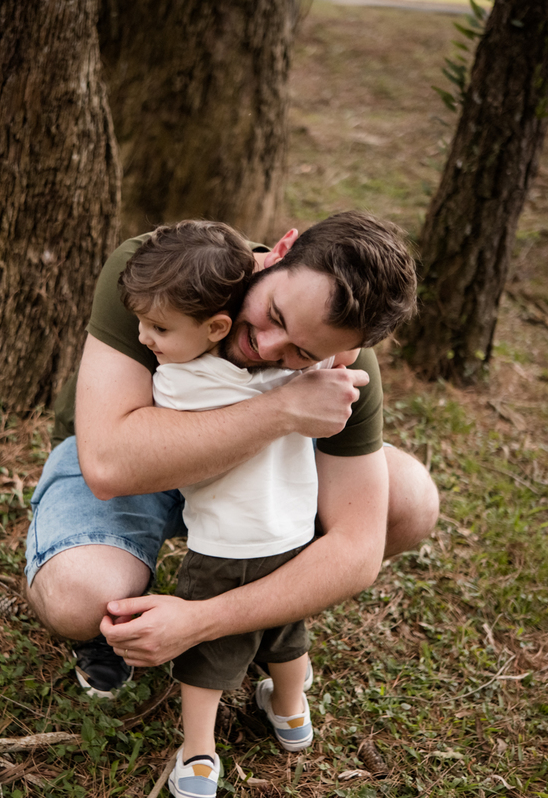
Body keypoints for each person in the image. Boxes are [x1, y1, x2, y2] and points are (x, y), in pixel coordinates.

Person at [23, 209, 439, 715]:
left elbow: (357, 551)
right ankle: (116, 618)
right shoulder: (160, 269)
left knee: (409, 499)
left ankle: (254, 620)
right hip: (138, 463)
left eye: (301, 352)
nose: (267, 346)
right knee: (78, 595)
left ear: (346, 351)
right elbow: (108, 465)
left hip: (260, 478)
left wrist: (201, 622)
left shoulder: (345, 363)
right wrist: (282, 409)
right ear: (281, 251)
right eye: (276, 316)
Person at [116, 220, 347, 796]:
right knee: (285, 635)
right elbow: (334, 356)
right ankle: (291, 715)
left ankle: (199, 755)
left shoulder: (179, 383)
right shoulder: (302, 375)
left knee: (206, 657)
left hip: (223, 545)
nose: (144, 338)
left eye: (159, 328)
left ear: (215, 327)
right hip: (291, 539)